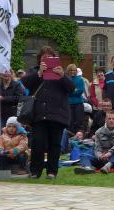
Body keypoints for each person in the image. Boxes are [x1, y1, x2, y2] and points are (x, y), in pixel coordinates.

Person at [21, 46, 75, 179]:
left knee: (55, 144)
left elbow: (71, 89)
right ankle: (35, 171)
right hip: (39, 114)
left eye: (49, 57)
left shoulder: (60, 72)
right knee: (37, 143)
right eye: (43, 57)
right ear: (39, 59)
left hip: (57, 114)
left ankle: (52, 171)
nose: (46, 59)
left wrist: (62, 76)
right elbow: (25, 83)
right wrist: (39, 73)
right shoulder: (34, 71)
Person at [67, 64, 86, 135]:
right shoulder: (66, 79)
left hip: (78, 104)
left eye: (74, 70)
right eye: (71, 70)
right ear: (68, 71)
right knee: (70, 122)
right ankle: (70, 137)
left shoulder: (80, 79)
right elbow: (64, 91)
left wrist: (70, 92)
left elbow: (80, 91)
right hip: (68, 104)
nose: (73, 72)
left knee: (79, 122)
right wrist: (74, 90)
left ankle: (79, 137)